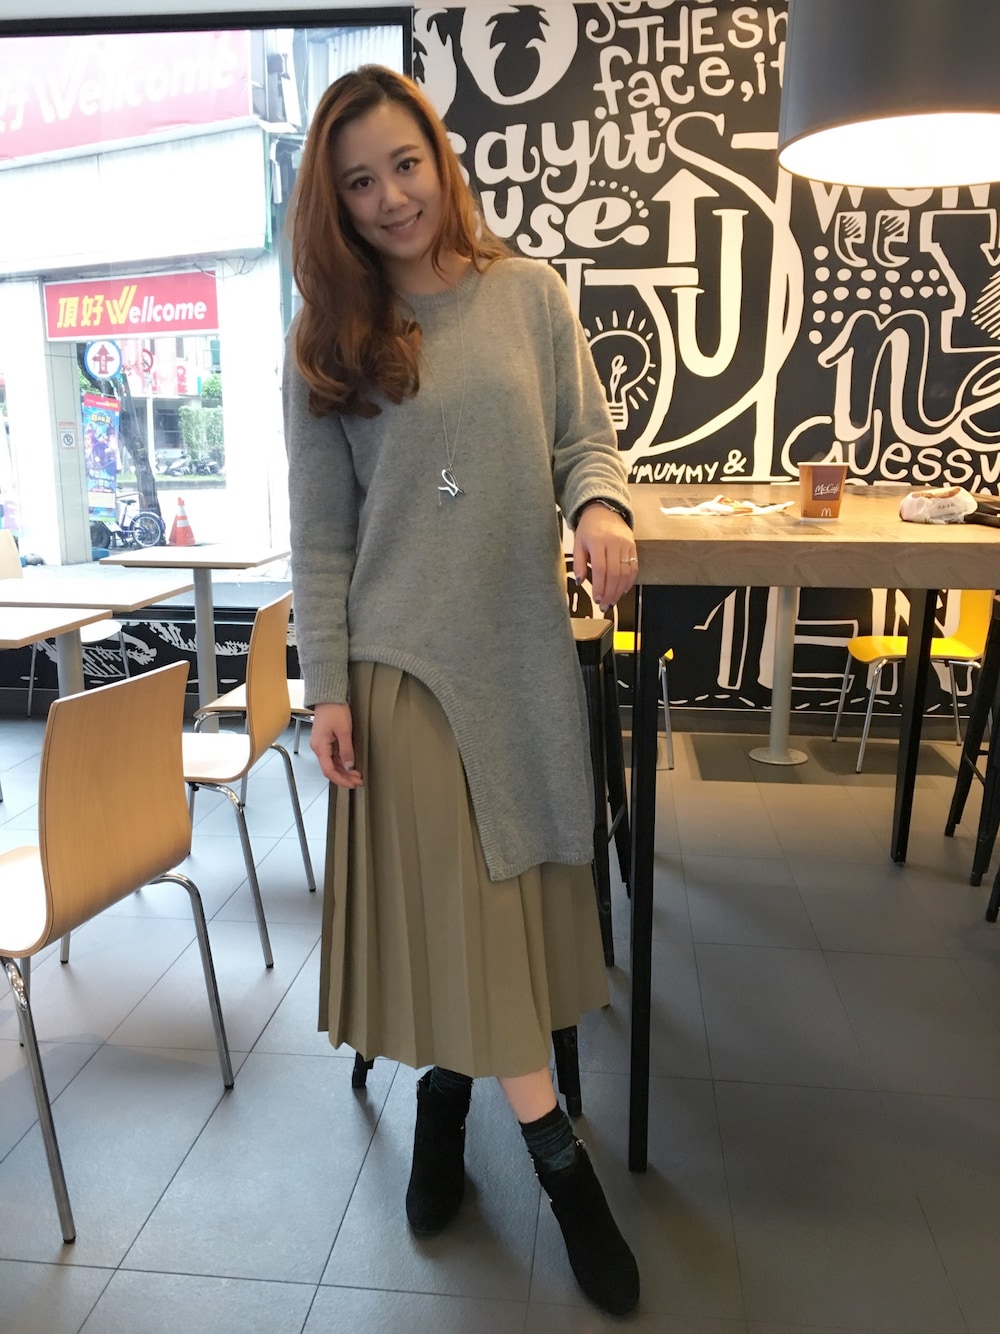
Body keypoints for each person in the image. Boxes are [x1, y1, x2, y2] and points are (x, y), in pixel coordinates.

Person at [283, 65, 640, 1317]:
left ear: (440, 157)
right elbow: (321, 536)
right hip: (402, 674)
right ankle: (562, 1171)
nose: (390, 197)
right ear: (331, 202)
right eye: (358, 182)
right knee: (478, 910)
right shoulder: (328, 340)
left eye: (404, 164)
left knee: (499, 905)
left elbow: (582, 437)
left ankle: (442, 1100)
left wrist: (599, 505)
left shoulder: (527, 295)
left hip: (522, 654)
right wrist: (325, 685)